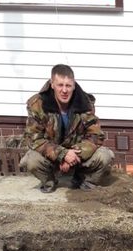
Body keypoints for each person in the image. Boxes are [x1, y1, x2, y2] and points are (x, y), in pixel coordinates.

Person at [20, 64, 114, 193]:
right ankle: (49, 181)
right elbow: (34, 139)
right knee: (31, 160)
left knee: (105, 155)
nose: (64, 90)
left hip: (78, 156)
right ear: (52, 84)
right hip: (51, 157)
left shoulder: (85, 102)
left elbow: (95, 135)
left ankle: (83, 180)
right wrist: (62, 154)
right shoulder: (38, 104)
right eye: (60, 85)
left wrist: (73, 156)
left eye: (68, 86)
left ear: (74, 85)